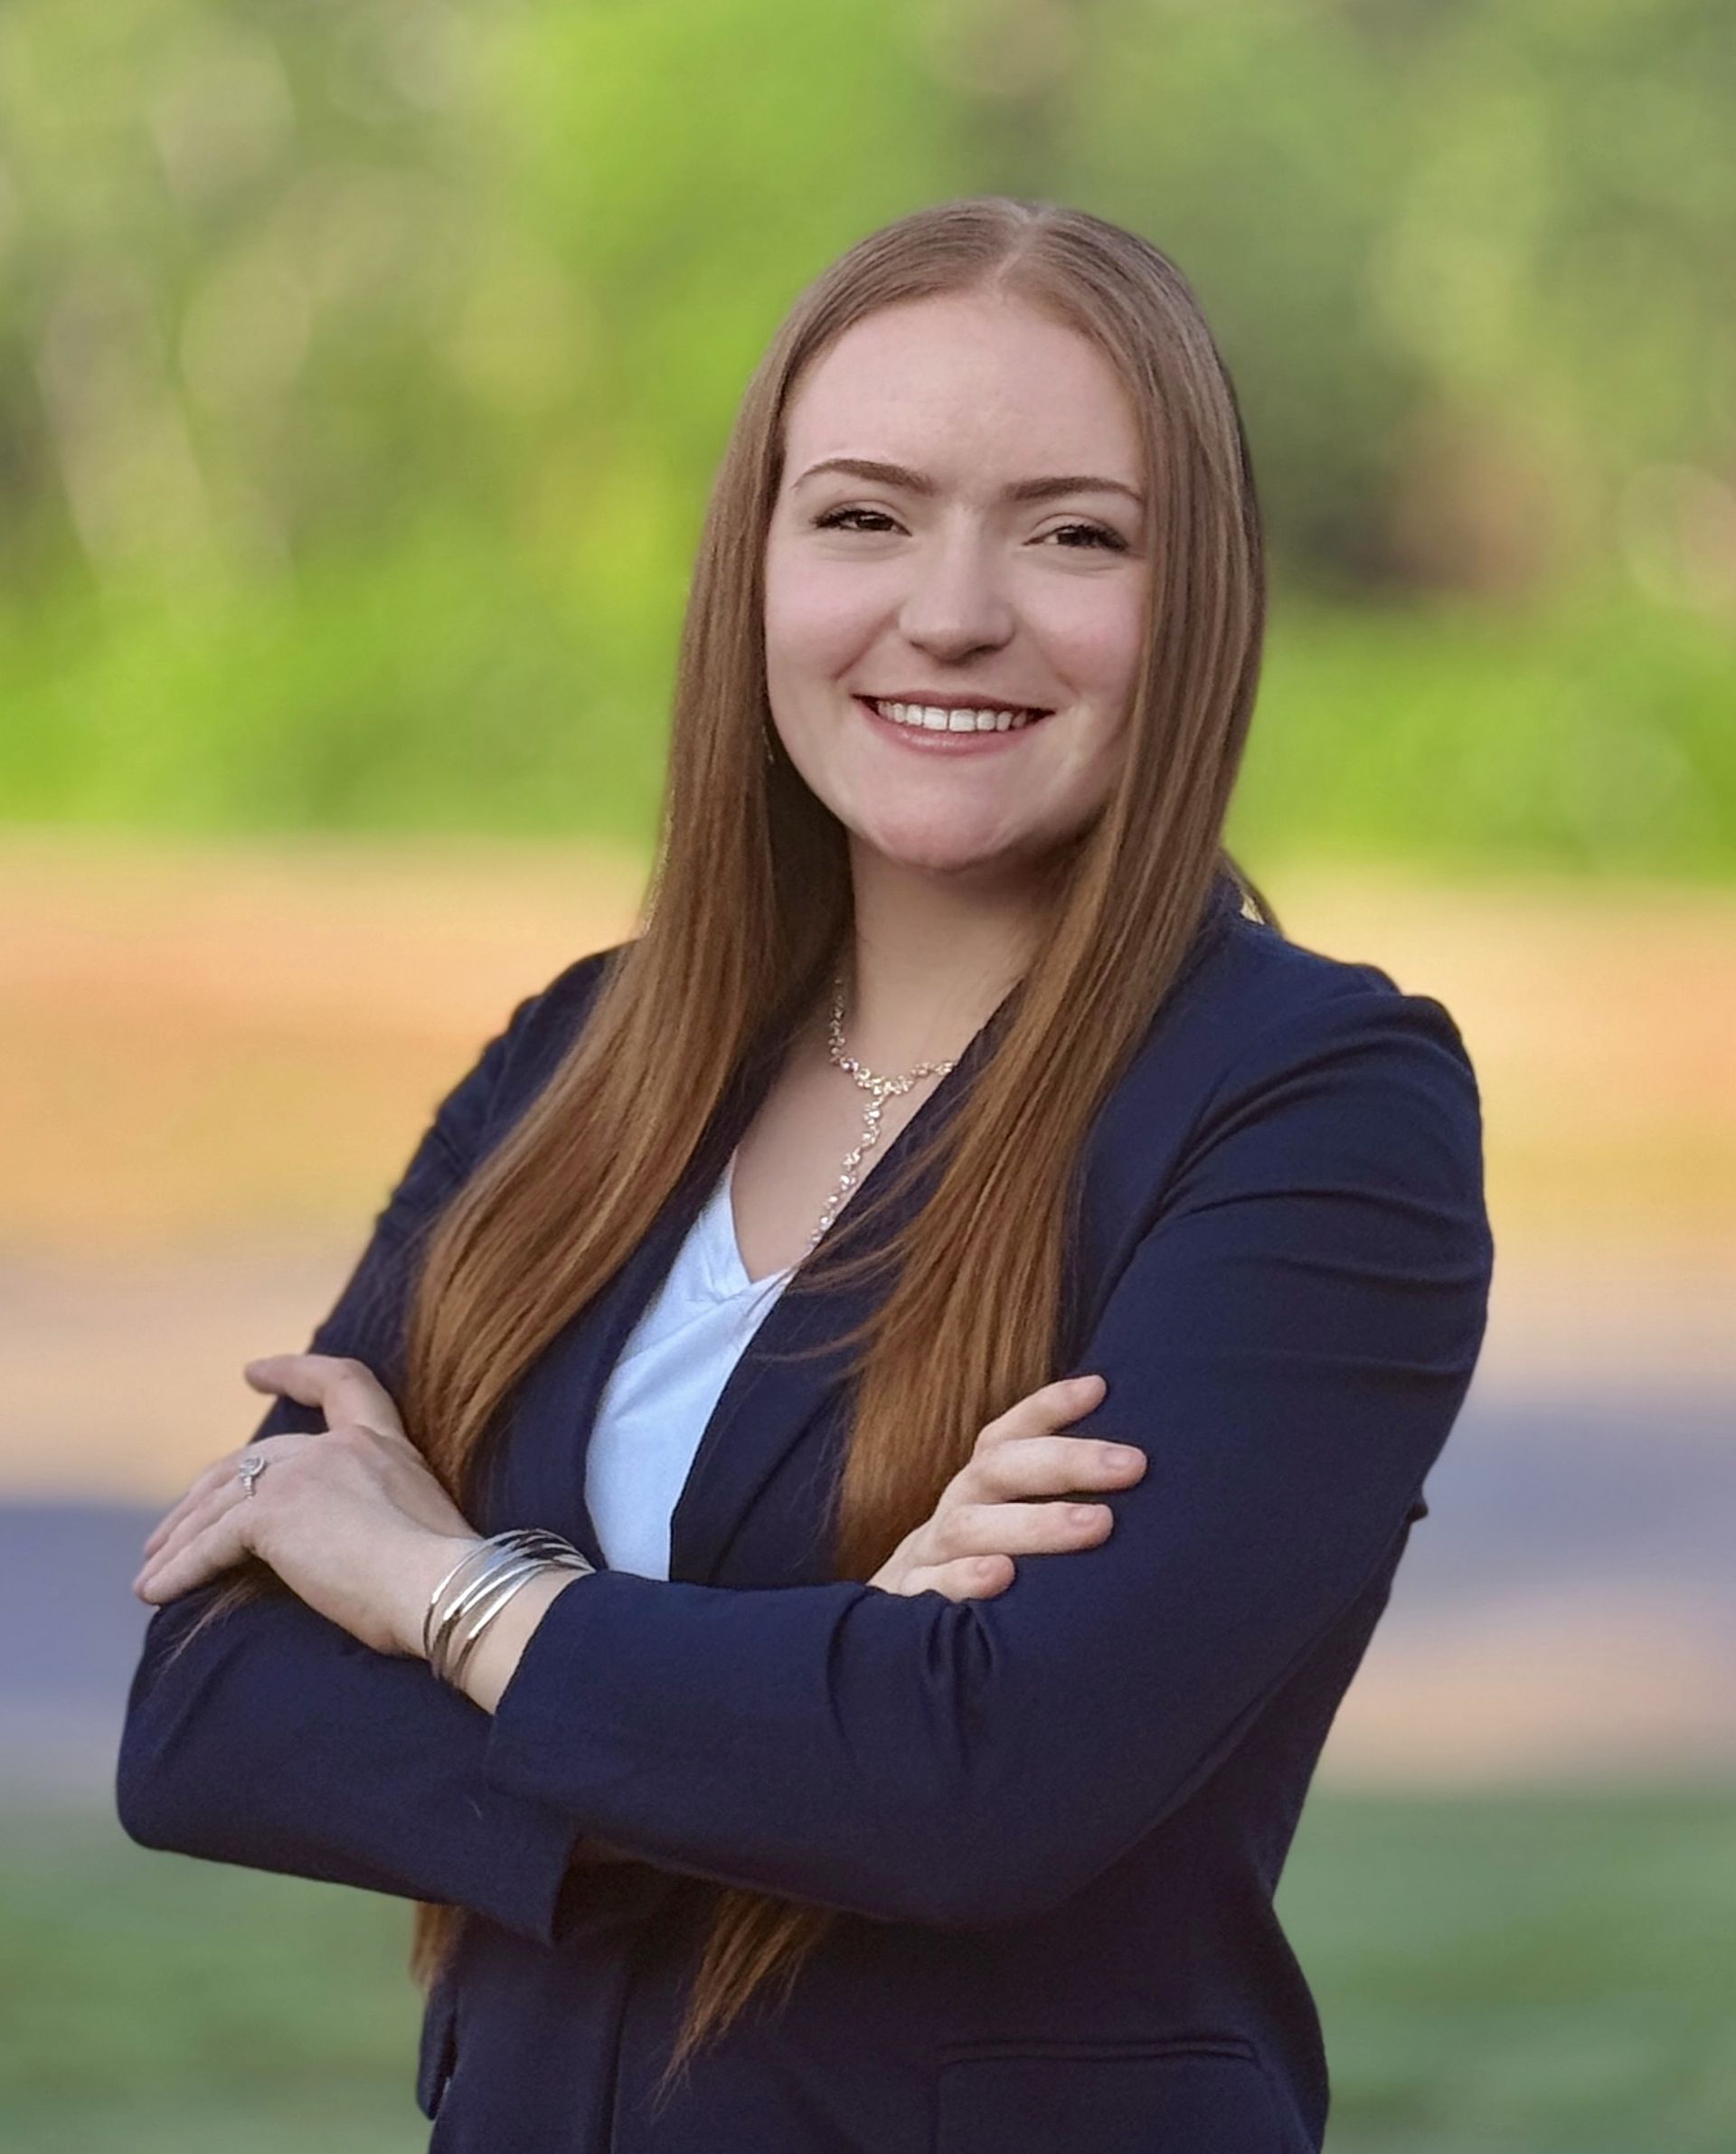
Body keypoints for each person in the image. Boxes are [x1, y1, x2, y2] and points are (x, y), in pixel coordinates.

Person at [116, 196, 1494, 2153]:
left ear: (1202, 602)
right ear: (753, 568)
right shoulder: (580, 1060)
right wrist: (838, 1691)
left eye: (1075, 531)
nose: (952, 610)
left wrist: (442, 1588)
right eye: (863, 515)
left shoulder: (1313, 1111)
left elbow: (989, 1782)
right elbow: (208, 1717)